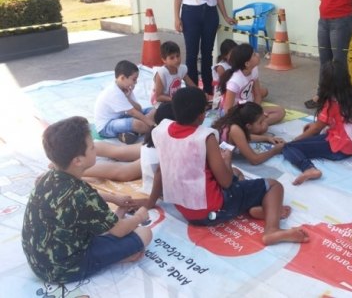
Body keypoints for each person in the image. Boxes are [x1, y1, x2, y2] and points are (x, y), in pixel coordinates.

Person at [148, 87, 309, 246]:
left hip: (185, 210)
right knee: (273, 186)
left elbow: (161, 172)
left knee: (237, 174)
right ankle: (272, 230)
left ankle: (257, 208)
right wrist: (226, 160)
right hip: (212, 212)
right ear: (202, 114)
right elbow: (225, 182)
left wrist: (150, 202)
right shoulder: (205, 137)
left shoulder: (161, 130)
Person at [21, 116, 152, 284]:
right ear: (77, 161)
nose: (95, 149)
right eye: (92, 147)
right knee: (144, 233)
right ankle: (111, 259)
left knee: (109, 221)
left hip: (39, 261)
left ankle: (112, 248)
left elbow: (86, 200)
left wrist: (114, 198)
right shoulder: (80, 193)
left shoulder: (48, 177)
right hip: (63, 269)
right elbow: (119, 231)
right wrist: (140, 217)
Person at [283, 60, 352, 185]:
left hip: (340, 148)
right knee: (313, 135)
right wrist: (316, 126)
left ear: (325, 83)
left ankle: (309, 169)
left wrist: (294, 140)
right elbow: (341, 121)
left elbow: (316, 129)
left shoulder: (332, 102)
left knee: (289, 148)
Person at [220, 43, 285, 125]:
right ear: (247, 63)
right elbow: (227, 110)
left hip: (249, 109)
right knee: (262, 127)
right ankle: (252, 127)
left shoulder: (254, 70)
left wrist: (256, 114)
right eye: (254, 55)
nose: (257, 55)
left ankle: (255, 125)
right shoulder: (235, 82)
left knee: (280, 112)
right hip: (236, 113)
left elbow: (257, 94)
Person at [94, 60, 156, 144]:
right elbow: (133, 112)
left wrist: (128, 98)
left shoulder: (125, 88)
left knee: (154, 110)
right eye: (134, 79)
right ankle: (149, 129)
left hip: (120, 117)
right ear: (122, 78)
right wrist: (152, 124)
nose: (136, 82)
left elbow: (138, 109)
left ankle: (132, 132)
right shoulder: (114, 92)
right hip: (106, 126)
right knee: (137, 124)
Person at [212, 102, 285, 165]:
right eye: (260, 122)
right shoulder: (235, 129)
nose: (264, 124)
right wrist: (274, 150)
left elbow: (244, 137)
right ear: (248, 126)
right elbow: (254, 160)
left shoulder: (235, 122)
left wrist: (267, 138)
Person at [151, 41, 196, 105]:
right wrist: (174, 99)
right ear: (164, 60)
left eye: (178, 56)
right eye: (172, 58)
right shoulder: (161, 73)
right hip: (162, 103)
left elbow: (191, 84)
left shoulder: (181, 69)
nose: (176, 60)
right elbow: (158, 97)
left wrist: (200, 93)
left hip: (175, 100)